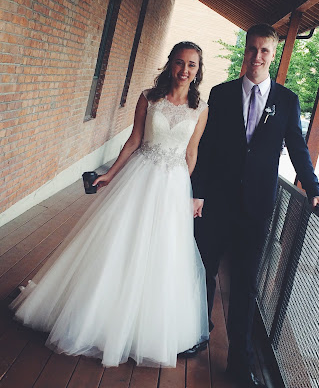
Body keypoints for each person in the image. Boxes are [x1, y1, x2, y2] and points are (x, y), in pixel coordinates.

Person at [10, 41, 209, 368]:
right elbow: (133, 141)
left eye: (191, 65)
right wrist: (110, 175)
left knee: (163, 252)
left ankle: (145, 328)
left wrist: (182, 190)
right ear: (170, 63)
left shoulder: (200, 109)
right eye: (179, 62)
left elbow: (191, 153)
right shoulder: (149, 97)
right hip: (140, 176)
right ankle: (93, 317)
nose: (184, 70)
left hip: (173, 185)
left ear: (198, 70)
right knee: (120, 242)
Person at [191, 24, 319, 387]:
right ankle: (198, 332)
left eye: (264, 50)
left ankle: (240, 361)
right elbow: (206, 147)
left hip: (256, 208)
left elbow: (297, 147)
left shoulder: (287, 100)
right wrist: (197, 192)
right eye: (252, 48)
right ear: (246, 50)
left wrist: (313, 189)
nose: (256, 56)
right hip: (217, 201)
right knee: (203, 270)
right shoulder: (221, 94)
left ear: (274, 53)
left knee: (246, 284)